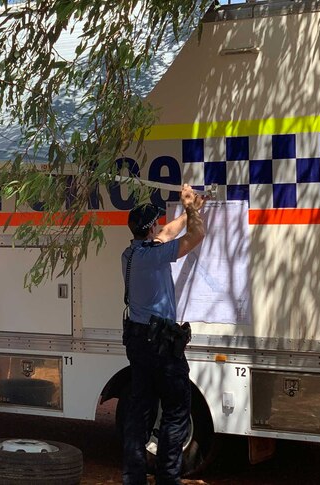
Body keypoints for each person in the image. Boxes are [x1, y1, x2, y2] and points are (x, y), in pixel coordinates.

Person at [121, 184, 206, 485]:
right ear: (150, 228)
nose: (160, 226)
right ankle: (168, 478)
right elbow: (195, 238)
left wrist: (188, 210)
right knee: (175, 412)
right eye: (156, 222)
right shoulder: (154, 257)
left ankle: (134, 478)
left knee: (140, 411)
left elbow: (167, 233)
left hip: (139, 342)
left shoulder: (132, 254)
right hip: (161, 346)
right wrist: (193, 210)